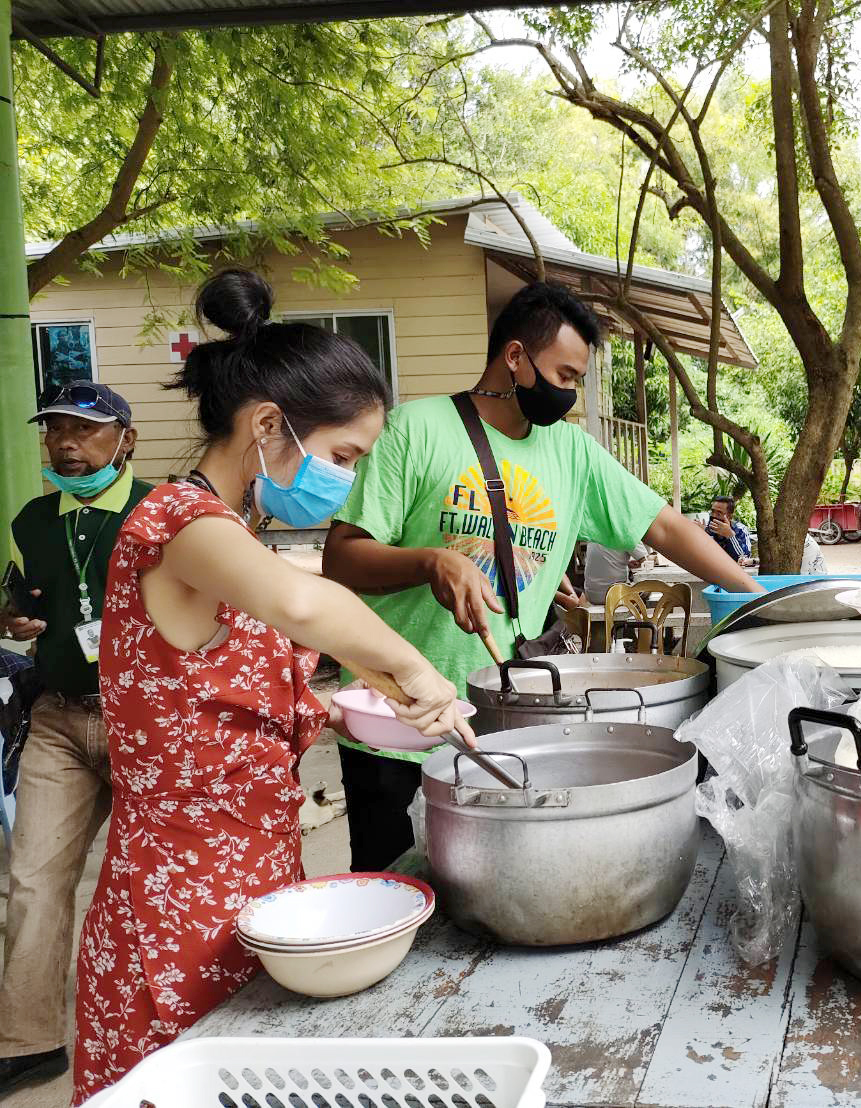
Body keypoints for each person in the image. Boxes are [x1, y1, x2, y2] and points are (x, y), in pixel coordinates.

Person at [71, 270, 470, 1102]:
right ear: (265, 425)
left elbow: (255, 665)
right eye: (341, 456)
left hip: (253, 877)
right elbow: (305, 604)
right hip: (179, 893)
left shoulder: (236, 539)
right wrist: (414, 666)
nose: (345, 480)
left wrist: (384, 703)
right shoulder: (178, 524)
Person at [322, 281, 762, 872]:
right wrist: (430, 561)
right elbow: (341, 559)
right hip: (398, 722)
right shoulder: (415, 430)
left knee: (491, 888)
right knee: (392, 886)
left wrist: (755, 596)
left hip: (505, 725)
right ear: (515, 357)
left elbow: (663, 526)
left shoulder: (572, 452)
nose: (570, 394)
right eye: (564, 375)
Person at [0, 384, 150, 1097]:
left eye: (86, 430)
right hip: (60, 717)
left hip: (145, 720)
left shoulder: (161, 511)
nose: (66, 443)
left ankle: (168, 1023)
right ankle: (28, 1042)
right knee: (32, 880)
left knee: (153, 881)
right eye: (55, 429)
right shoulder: (32, 520)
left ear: (126, 439)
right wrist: (14, 620)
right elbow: (25, 600)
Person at [584, 541, 649, 605]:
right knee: (648, 588)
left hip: (592, 596)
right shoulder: (629, 535)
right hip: (616, 596)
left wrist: (626, 563)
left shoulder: (593, 536)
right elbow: (647, 562)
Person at [704, 495, 756, 565]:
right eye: (712, 511)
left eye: (719, 513)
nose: (714, 516)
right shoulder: (706, 529)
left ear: (730, 516)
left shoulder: (740, 529)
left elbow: (744, 558)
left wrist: (730, 535)